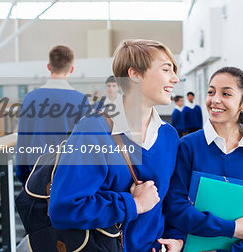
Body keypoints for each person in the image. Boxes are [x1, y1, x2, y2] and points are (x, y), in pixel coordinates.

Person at [49, 39, 183, 251]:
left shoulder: (169, 136)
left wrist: (176, 238)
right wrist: (134, 204)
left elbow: (171, 199)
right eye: (166, 69)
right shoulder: (93, 130)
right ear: (135, 74)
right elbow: (64, 208)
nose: (175, 78)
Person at [164, 67, 243, 251]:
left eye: (226, 93)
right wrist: (231, 229)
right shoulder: (187, 146)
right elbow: (175, 206)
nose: (215, 100)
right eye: (211, 92)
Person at [15, 45, 88, 186]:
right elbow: (85, 145)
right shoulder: (80, 100)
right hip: (68, 176)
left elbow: (23, 140)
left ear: (49, 66)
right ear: (71, 69)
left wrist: (24, 176)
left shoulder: (30, 98)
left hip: (36, 173)